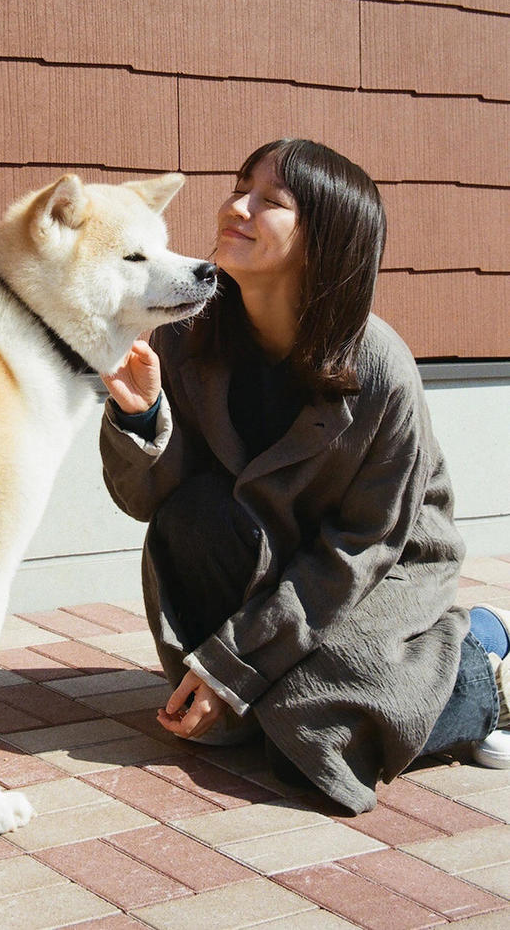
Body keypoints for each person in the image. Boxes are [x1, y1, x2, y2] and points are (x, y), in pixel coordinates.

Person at [99, 138, 510, 814]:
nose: (237, 206)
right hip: (261, 551)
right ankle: (280, 683)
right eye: (240, 187)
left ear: (325, 239)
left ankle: (482, 662)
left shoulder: (379, 367)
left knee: (307, 735)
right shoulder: (184, 332)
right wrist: (141, 415)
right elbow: (150, 503)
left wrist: (233, 667)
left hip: (378, 565)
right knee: (197, 524)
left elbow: (361, 548)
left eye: (270, 200)